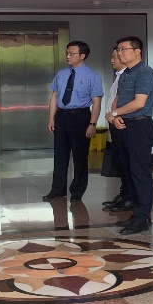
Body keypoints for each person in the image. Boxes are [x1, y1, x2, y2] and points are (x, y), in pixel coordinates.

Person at [105, 36, 153, 236]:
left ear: (137, 51)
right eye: (118, 50)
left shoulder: (145, 72)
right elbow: (118, 98)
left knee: (139, 172)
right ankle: (136, 213)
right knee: (127, 171)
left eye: (123, 49)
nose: (119, 53)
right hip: (124, 124)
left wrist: (114, 113)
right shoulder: (125, 73)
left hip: (139, 126)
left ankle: (143, 217)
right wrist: (114, 116)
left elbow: (139, 103)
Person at [45, 41, 104, 202]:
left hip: (81, 117)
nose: (68, 56)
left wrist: (92, 124)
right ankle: (58, 190)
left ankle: (77, 192)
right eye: (67, 53)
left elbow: (96, 102)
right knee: (60, 155)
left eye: (72, 53)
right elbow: (54, 97)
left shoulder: (92, 76)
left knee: (79, 156)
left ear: (82, 56)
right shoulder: (61, 74)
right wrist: (51, 118)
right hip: (62, 117)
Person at [101, 48, 131, 209]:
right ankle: (123, 194)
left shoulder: (128, 76)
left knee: (127, 163)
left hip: (121, 122)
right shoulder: (119, 76)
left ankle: (129, 197)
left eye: (115, 57)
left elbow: (123, 102)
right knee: (121, 162)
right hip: (114, 122)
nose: (112, 60)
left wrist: (113, 115)